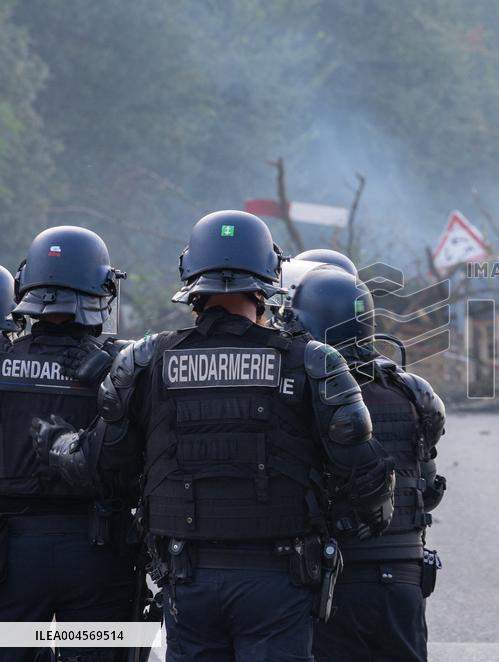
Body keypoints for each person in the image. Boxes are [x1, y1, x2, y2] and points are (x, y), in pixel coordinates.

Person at [32, 211, 395, 662]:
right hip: (280, 578)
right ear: (268, 281)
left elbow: (105, 467)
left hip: (188, 580)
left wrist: (56, 445)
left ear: (191, 280)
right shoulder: (314, 361)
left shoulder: (145, 361)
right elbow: (367, 478)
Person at [286, 266, 446, 662]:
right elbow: (426, 492)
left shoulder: (304, 394)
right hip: (404, 580)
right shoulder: (411, 391)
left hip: (336, 578)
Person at [0, 226, 130, 662]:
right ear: (102, 289)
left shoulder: (4, 362)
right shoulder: (120, 369)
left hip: (12, 555)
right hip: (95, 549)